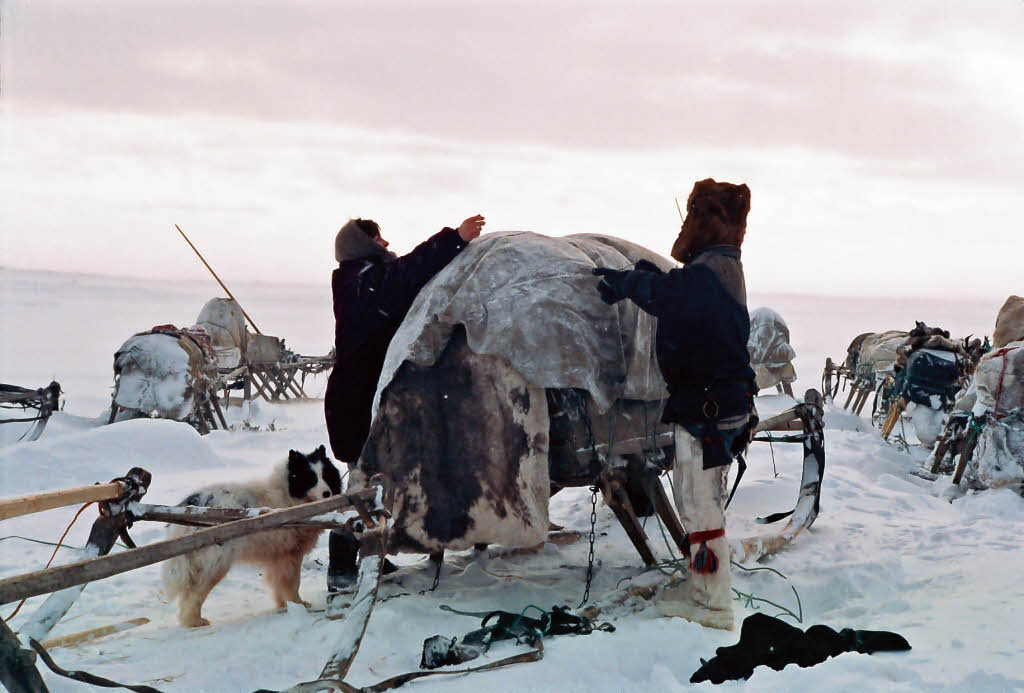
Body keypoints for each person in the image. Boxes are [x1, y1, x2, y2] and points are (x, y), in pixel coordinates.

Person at [591, 179, 757, 630]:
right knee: (700, 504)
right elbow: (681, 293)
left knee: (700, 509)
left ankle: (712, 603)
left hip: (705, 410)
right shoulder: (721, 265)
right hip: (714, 406)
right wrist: (645, 274)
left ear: (705, 221)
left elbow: (674, 296)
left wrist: (629, 282)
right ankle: (704, 587)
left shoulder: (711, 271)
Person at [323, 214, 483, 588]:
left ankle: (368, 556)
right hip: (357, 402)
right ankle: (343, 570)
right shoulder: (360, 281)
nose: (385, 244)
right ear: (362, 246)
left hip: (366, 398)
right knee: (364, 486)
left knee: (379, 482)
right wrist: (453, 239)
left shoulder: (363, 281)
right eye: (377, 239)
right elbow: (405, 275)